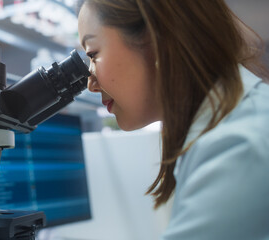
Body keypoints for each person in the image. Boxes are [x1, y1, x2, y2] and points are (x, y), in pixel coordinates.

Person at [77, 0, 269, 239]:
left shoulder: (238, 147)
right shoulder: (224, 126)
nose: (90, 84)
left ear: (158, 38)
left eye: (93, 54)